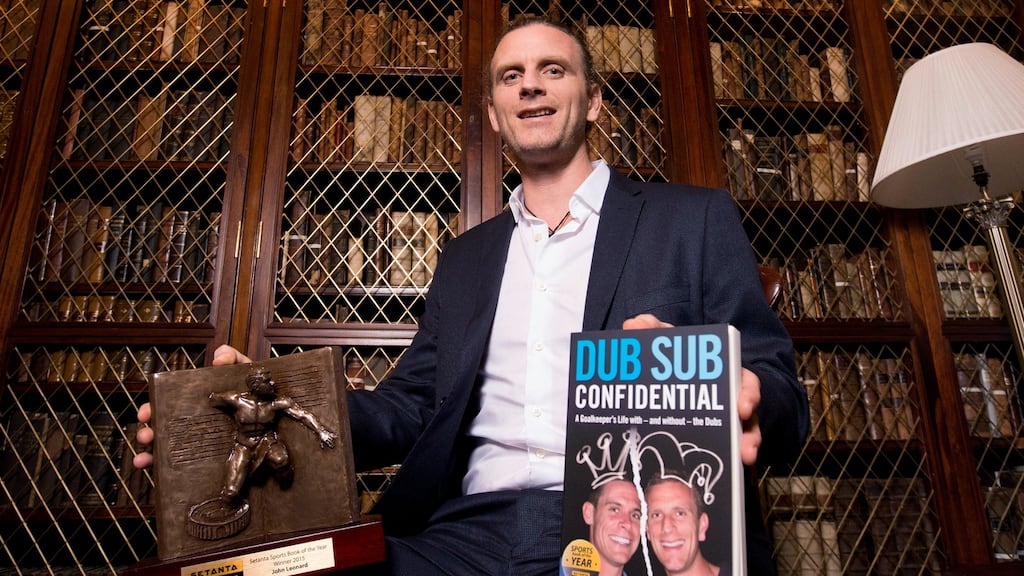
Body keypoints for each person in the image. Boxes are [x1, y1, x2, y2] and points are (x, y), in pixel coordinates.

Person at [136, 15, 808, 575]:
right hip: (460, 534)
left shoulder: (690, 220)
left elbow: (781, 392)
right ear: (492, 112)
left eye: (553, 70)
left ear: (595, 99)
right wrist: (274, 400)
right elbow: (411, 407)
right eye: (511, 76)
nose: (531, 87)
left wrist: (738, 390)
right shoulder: (466, 259)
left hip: (621, 528)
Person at [645, 473, 727, 576]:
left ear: (702, 526)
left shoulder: (740, 570)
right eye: (657, 515)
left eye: (680, 513)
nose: (667, 527)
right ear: (647, 529)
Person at [569, 479, 642, 576]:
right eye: (615, 510)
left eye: (635, 515)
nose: (628, 523)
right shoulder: (550, 568)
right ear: (589, 513)